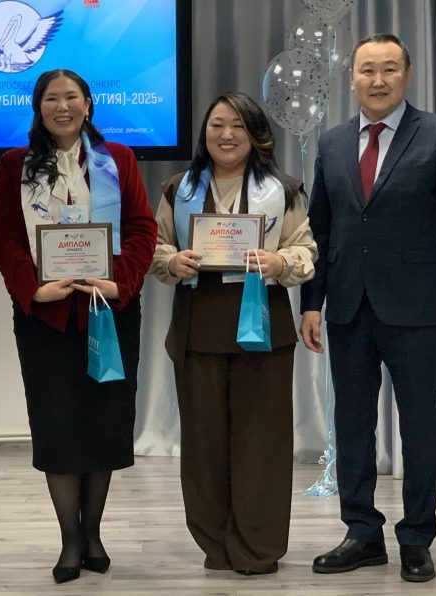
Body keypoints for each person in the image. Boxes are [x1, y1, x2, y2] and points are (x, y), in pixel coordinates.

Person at [300, 33, 436, 583]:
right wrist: (311, 303)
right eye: (367, 70)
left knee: (420, 427)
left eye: (388, 69)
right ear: (351, 79)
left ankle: (416, 538)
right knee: (352, 424)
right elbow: (320, 228)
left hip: (419, 308)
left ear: (407, 75)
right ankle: (362, 533)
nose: (377, 80)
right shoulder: (332, 142)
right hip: (348, 307)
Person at [0, 68, 157, 584]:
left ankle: (94, 533)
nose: (61, 107)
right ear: (38, 107)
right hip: (47, 317)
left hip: (109, 312)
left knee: (104, 423)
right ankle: (69, 539)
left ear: (88, 103)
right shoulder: (16, 164)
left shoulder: (119, 159)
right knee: (58, 427)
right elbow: (4, 235)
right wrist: (33, 290)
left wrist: (119, 283)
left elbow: (142, 229)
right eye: (50, 99)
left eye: (71, 97)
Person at [150, 91, 317, 575]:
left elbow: (305, 249)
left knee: (262, 441)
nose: (227, 135)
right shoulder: (177, 189)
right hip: (199, 325)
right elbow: (155, 248)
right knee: (204, 443)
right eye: (217, 125)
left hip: (262, 327)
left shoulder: (283, 190)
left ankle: (257, 546)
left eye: (238, 126)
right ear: (204, 132)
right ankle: (215, 543)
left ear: (257, 135)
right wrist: (172, 262)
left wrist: (279, 261)